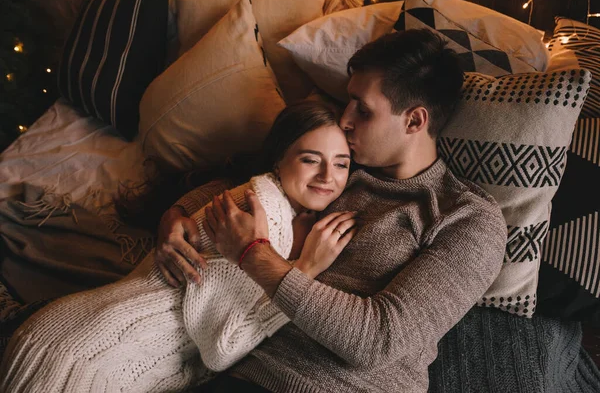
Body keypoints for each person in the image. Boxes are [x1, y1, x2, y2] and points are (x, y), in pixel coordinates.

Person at [156, 28, 508, 392]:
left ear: (414, 121)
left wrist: (252, 253)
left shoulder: (467, 219)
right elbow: (253, 179)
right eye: (348, 102)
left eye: (364, 110)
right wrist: (177, 214)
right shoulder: (339, 167)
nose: (345, 120)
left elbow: (377, 340)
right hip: (239, 368)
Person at [0, 100, 358, 393]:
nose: (328, 177)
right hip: (85, 358)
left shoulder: (274, 203)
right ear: (279, 159)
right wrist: (306, 269)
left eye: (341, 164)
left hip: (87, 346)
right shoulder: (263, 213)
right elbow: (224, 347)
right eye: (311, 159)